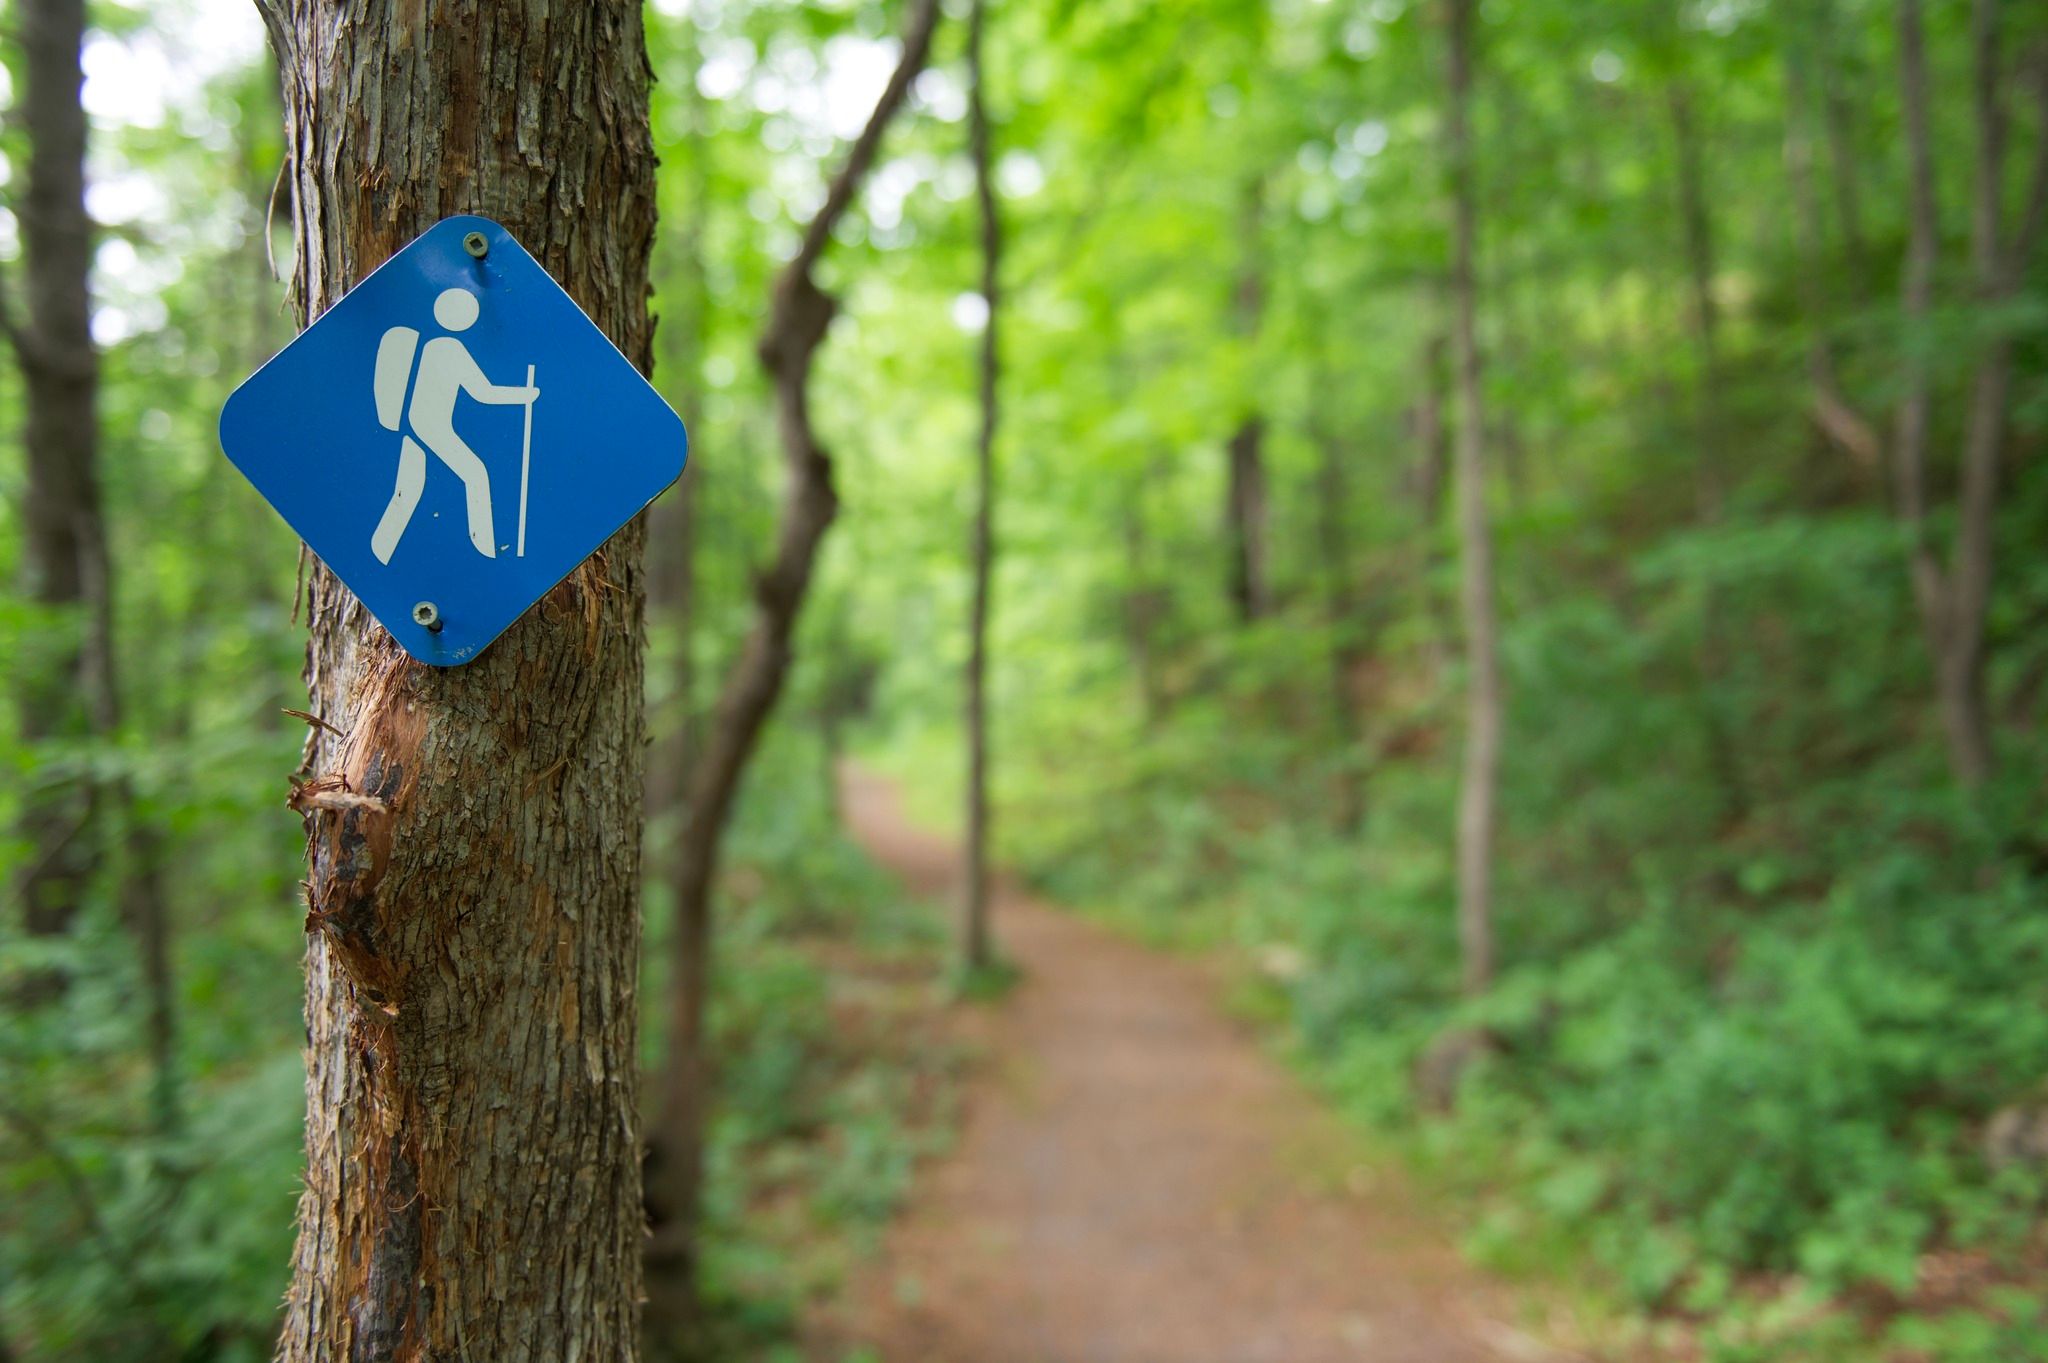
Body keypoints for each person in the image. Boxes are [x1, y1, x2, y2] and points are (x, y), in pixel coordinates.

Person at [370, 286, 539, 564]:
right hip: (430, 426)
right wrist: (525, 396)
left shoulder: (430, 344)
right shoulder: (450, 348)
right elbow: (483, 393)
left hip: (413, 426)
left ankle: (380, 550)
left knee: (409, 488)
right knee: (475, 474)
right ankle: (485, 551)